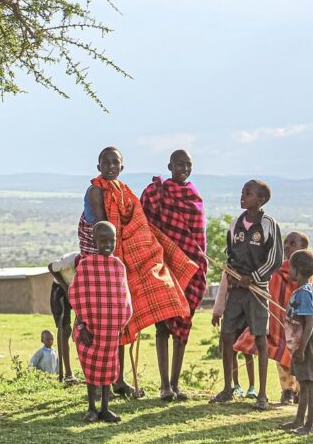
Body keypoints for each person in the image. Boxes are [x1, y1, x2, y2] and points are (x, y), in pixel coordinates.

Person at [81, 146, 194, 397]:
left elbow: (138, 222)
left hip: (120, 258)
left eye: (116, 163)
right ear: (98, 166)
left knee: (121, 321)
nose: (111, 166)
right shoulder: (96, 191)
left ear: (122, 167)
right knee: (103, 323)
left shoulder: (124, 191)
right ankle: (102, 383)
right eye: (106, 162)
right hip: (101, 261)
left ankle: (117, 379)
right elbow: (104, 229)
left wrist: (146, 246)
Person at [140, 149, 208, 401]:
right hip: (164, 266)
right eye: (179, 164)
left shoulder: (194, 195)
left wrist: (195, 259)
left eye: (188, 164)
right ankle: (164, 385)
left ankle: (177, 384)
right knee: (162, 328)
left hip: (190, 269)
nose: (184, 168)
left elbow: (199, 238)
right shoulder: (158, 192)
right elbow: (146, 224)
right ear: (169, 165)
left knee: (183, 325)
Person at [210, 180, 283, 410]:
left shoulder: (269, 225)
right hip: (236, 290)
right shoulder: (236, 224)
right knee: (227, 336)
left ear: (261, 200)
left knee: (261, 339)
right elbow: (230, 253)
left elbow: (275, 259)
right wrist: (232, 274)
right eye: (242, 192)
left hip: (258, 291)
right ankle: (228, 389)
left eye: (247, 193)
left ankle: (262, 394)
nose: (242, 196)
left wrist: (253, 277)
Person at [234, 231, 313, 404]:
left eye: (292, 243)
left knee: (300, 356)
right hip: (279, 320)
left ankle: (302, 392)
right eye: (285, 242)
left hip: (301, 322)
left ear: (304, 249)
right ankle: (287, 390)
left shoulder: (308, 273)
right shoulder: (276, 268)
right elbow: (267, 289)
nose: (286, 246)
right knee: (281, 350)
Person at [68, 222, 133, 423]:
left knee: (108, 367)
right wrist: (80, 325)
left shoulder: (118, 266)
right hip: (90, 328)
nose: (107, 244)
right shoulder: (85, 265)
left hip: (111, 329)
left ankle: (105, 408)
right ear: (94, 241)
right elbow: (76, 295)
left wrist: (123, 321)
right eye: (103, 240)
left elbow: (124, 296)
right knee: (90, 367)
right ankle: (91, 408)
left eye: (111, 241)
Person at [278, 249, 313, 436]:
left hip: (307, 346)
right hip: (300, 346)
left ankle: (309, 425)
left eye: (291, 268)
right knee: (303, 384)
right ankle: (298, 420)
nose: (289, 271)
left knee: (310, 383)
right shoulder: (302, 291)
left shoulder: (303, 293)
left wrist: (302, 348)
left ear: (298, 270)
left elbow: (310, 322)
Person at [48, 252, 80, 383]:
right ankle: (66, 373)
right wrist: (65, 287)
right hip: (60, 289)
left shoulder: (92, 262)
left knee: (82, 329)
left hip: (78, 290)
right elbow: (51, 267)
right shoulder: (69, 261)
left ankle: (90, 373)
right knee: (65, 329)